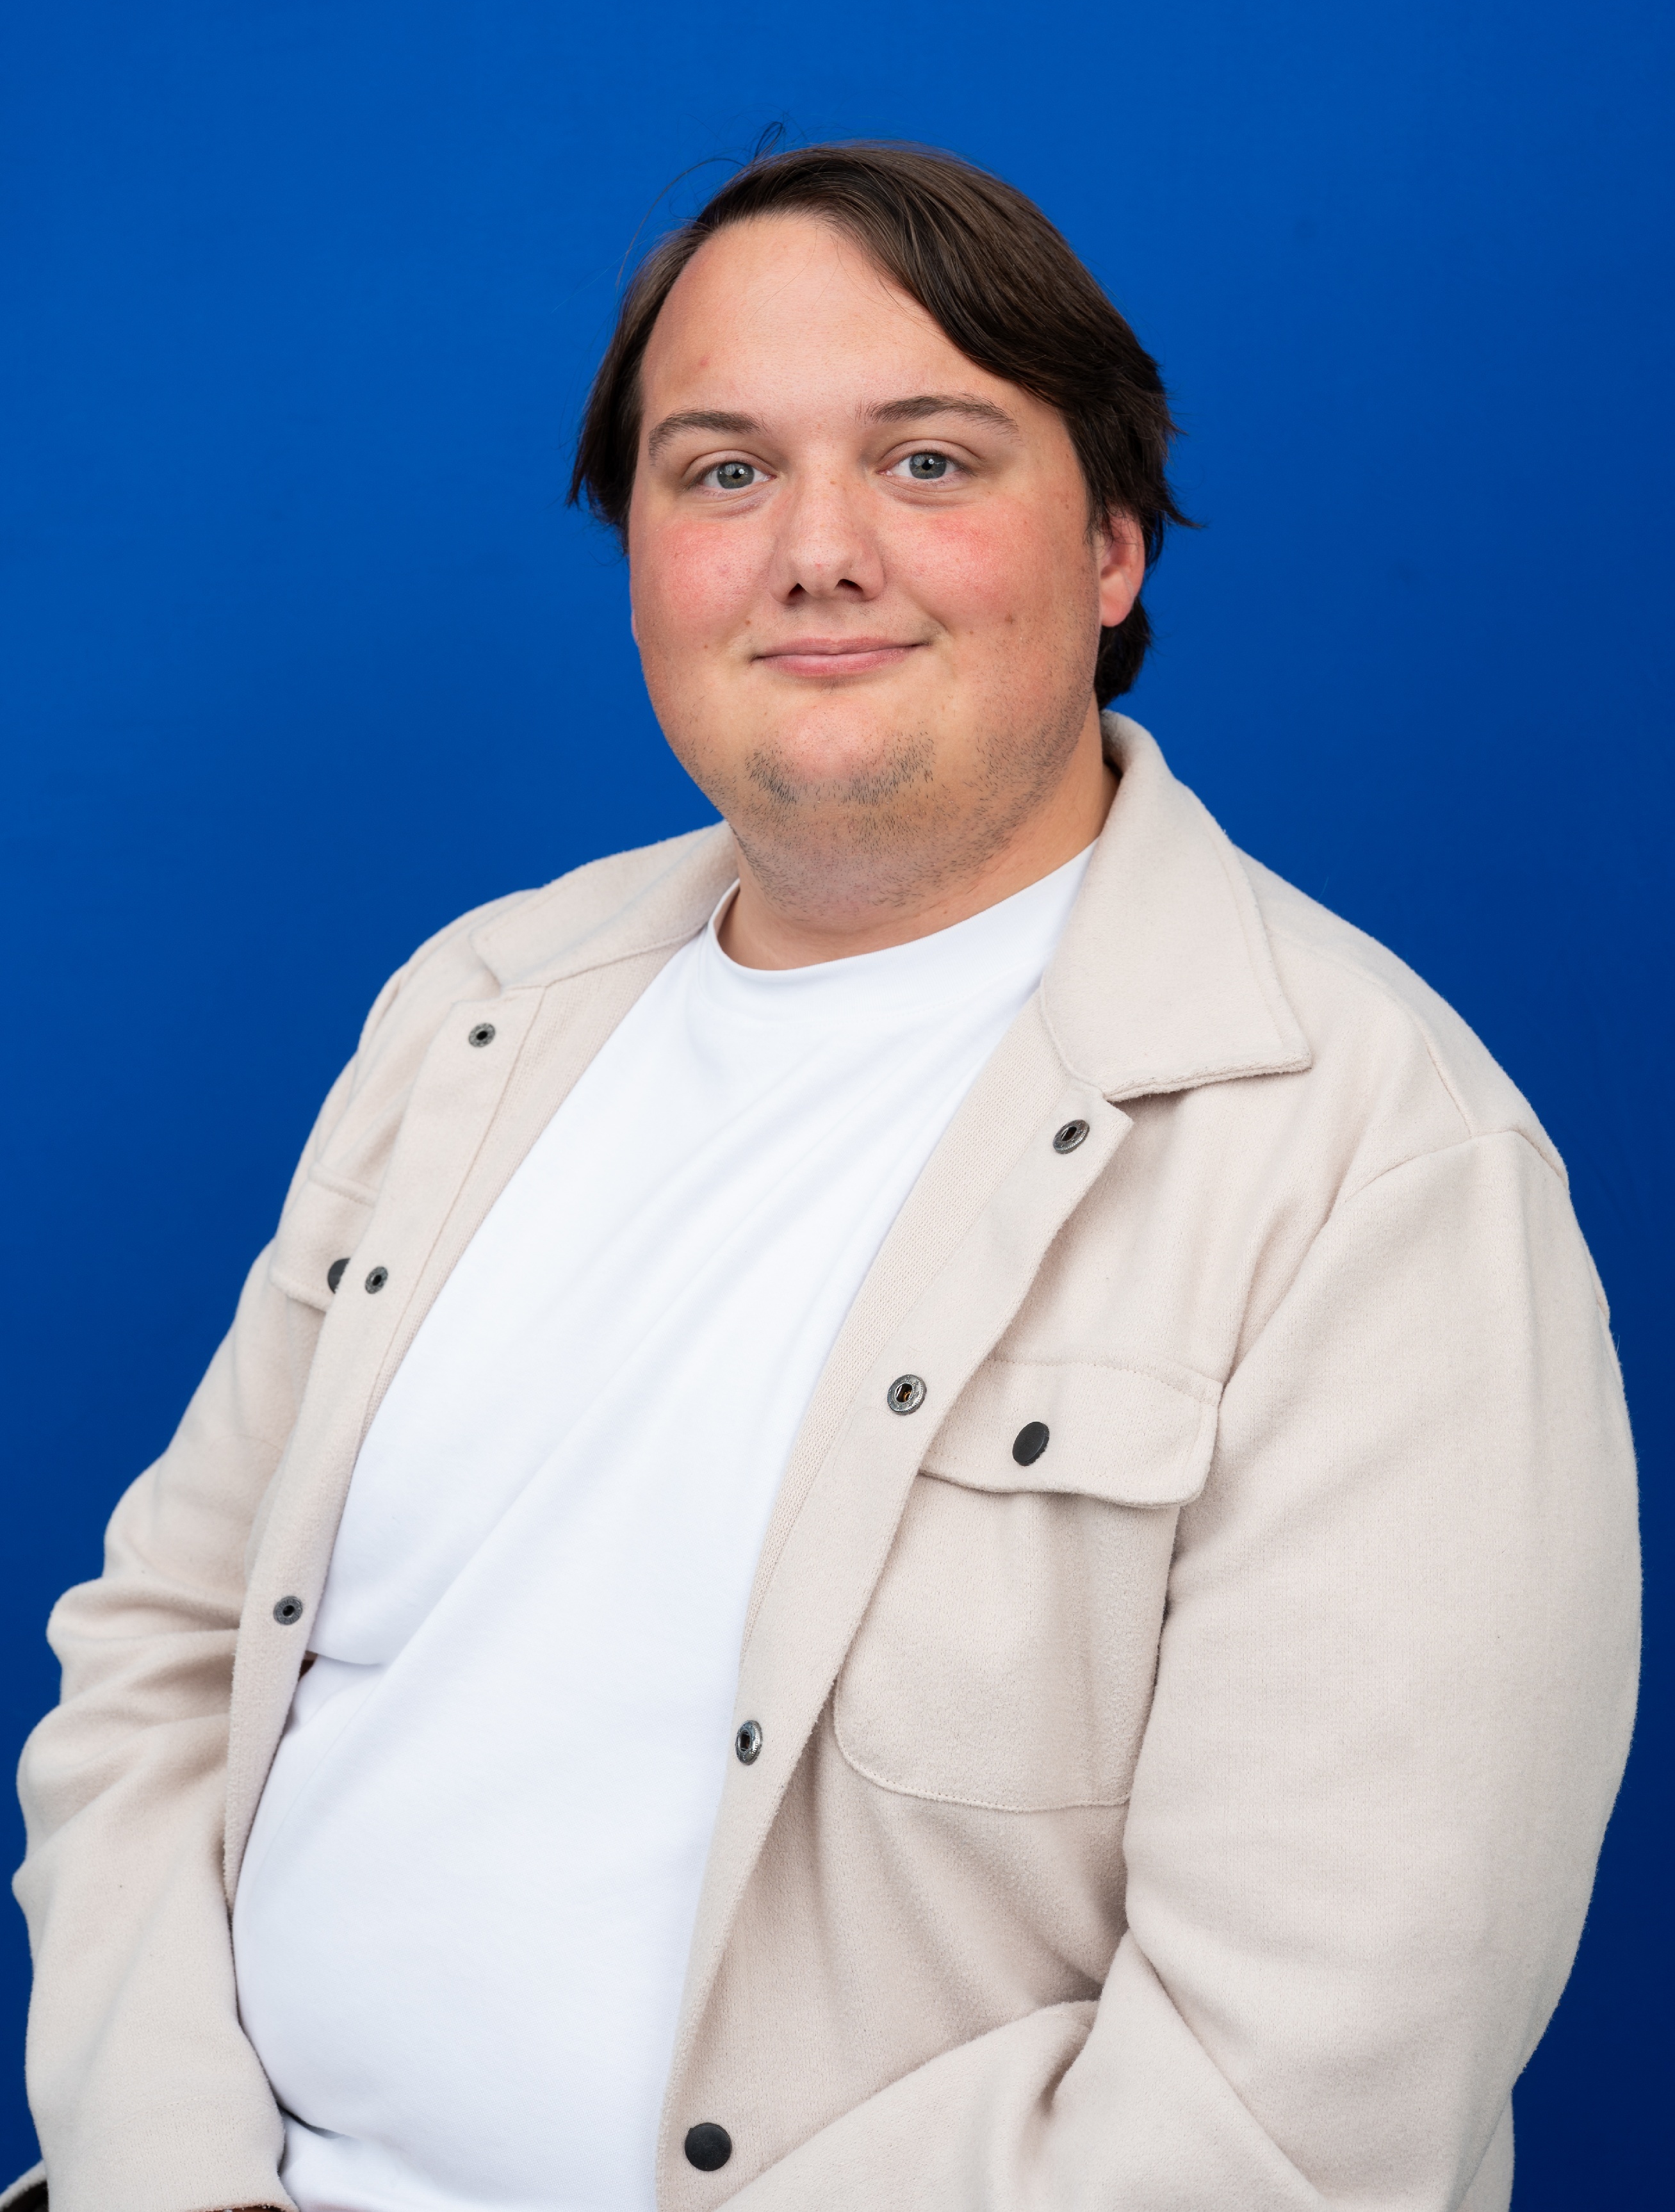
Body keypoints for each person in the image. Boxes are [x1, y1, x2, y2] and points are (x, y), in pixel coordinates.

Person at [9, 142, 1638, 2212]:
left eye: (929, 460)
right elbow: (159, 1660)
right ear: (639, 556)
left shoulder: (1373, 1164)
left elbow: (1301, 2090)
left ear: (1114, 544)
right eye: (723, 472)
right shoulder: (472, 1011)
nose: (817, 552)